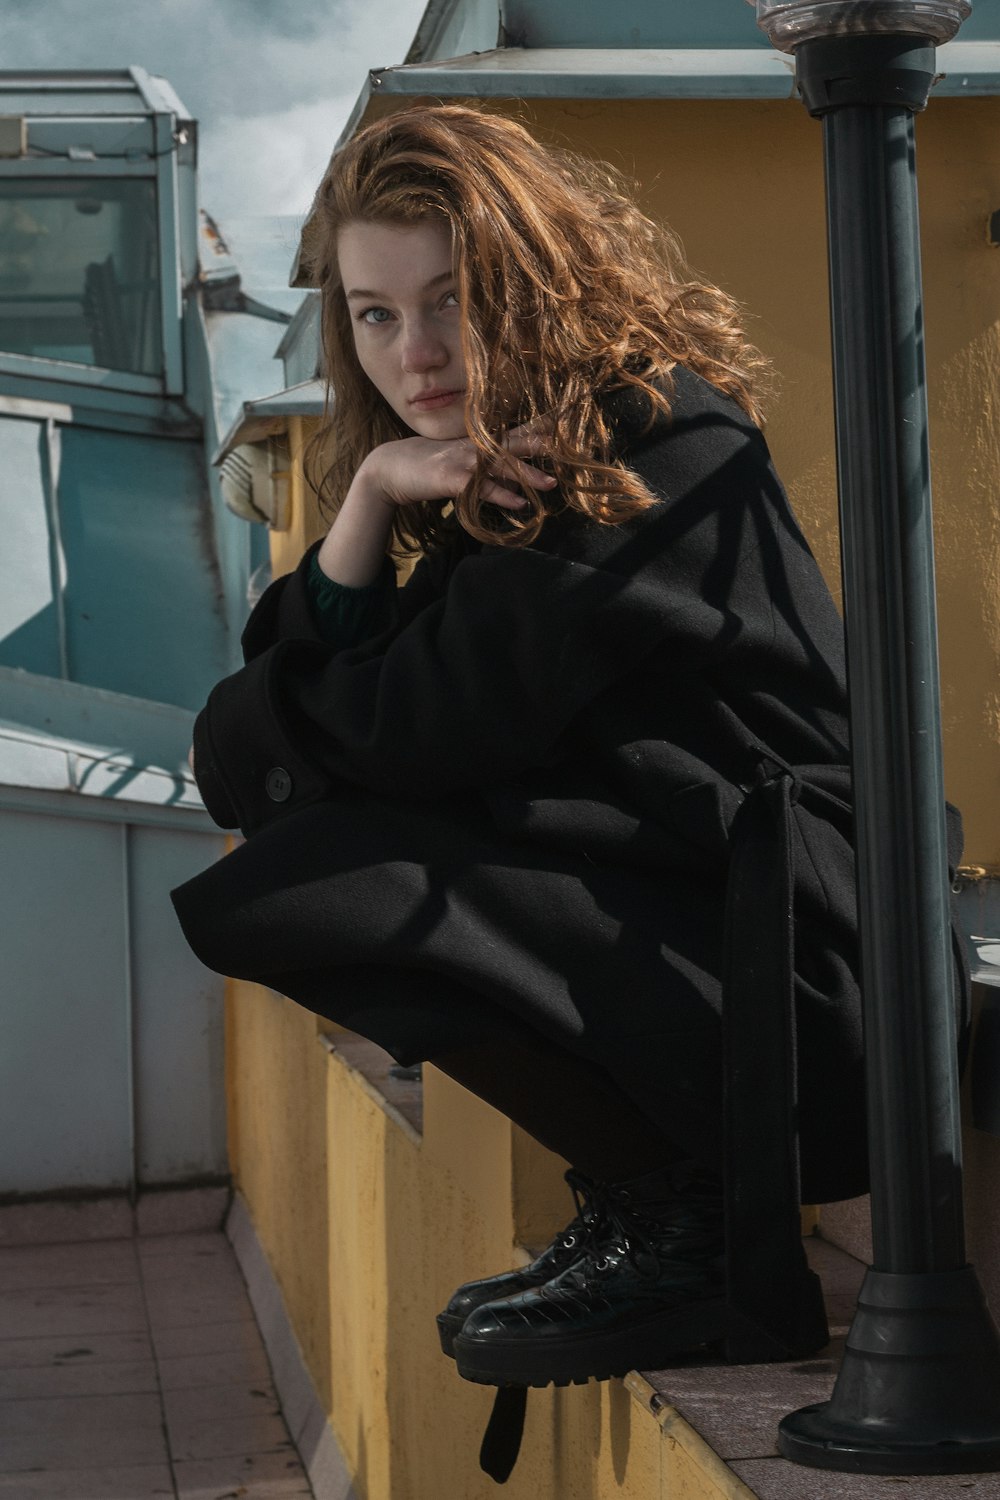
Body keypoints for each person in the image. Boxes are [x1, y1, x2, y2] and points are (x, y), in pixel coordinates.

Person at [172, 103, 965, 1465]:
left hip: (815, 1002)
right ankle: (661, 1195)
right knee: (297, 864)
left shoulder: (648, 452)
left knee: (310, 883)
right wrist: (364, 498)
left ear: (535, 283)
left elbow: (382, 738)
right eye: (371, 315)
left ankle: (689, 1213)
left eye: (451, 303)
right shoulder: (507, 475)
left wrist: (333, 674)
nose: (412, 353)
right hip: (715, 955)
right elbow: (257, 756)